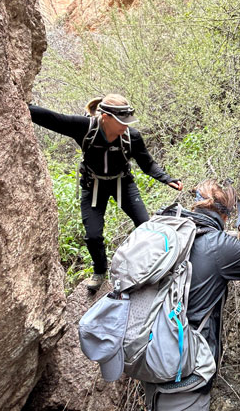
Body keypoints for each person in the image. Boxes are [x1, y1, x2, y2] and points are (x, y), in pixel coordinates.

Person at [142, 179, 240, 411]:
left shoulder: (164, 229)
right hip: (185, 369)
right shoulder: (217, 245)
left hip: (148, 351)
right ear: (225, 215)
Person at [28, 94, 182, 291]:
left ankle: (151, 267)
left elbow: (148, 164)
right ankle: (100, 271)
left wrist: (167, 179)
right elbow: (52, 118)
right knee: (93, 235)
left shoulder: (131, 136)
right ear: (106, 117)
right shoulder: (85, 128)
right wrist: (22, 106)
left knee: (145, 226)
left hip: (122, 184)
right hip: (93, 186)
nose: (126, 126)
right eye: (121, 122)